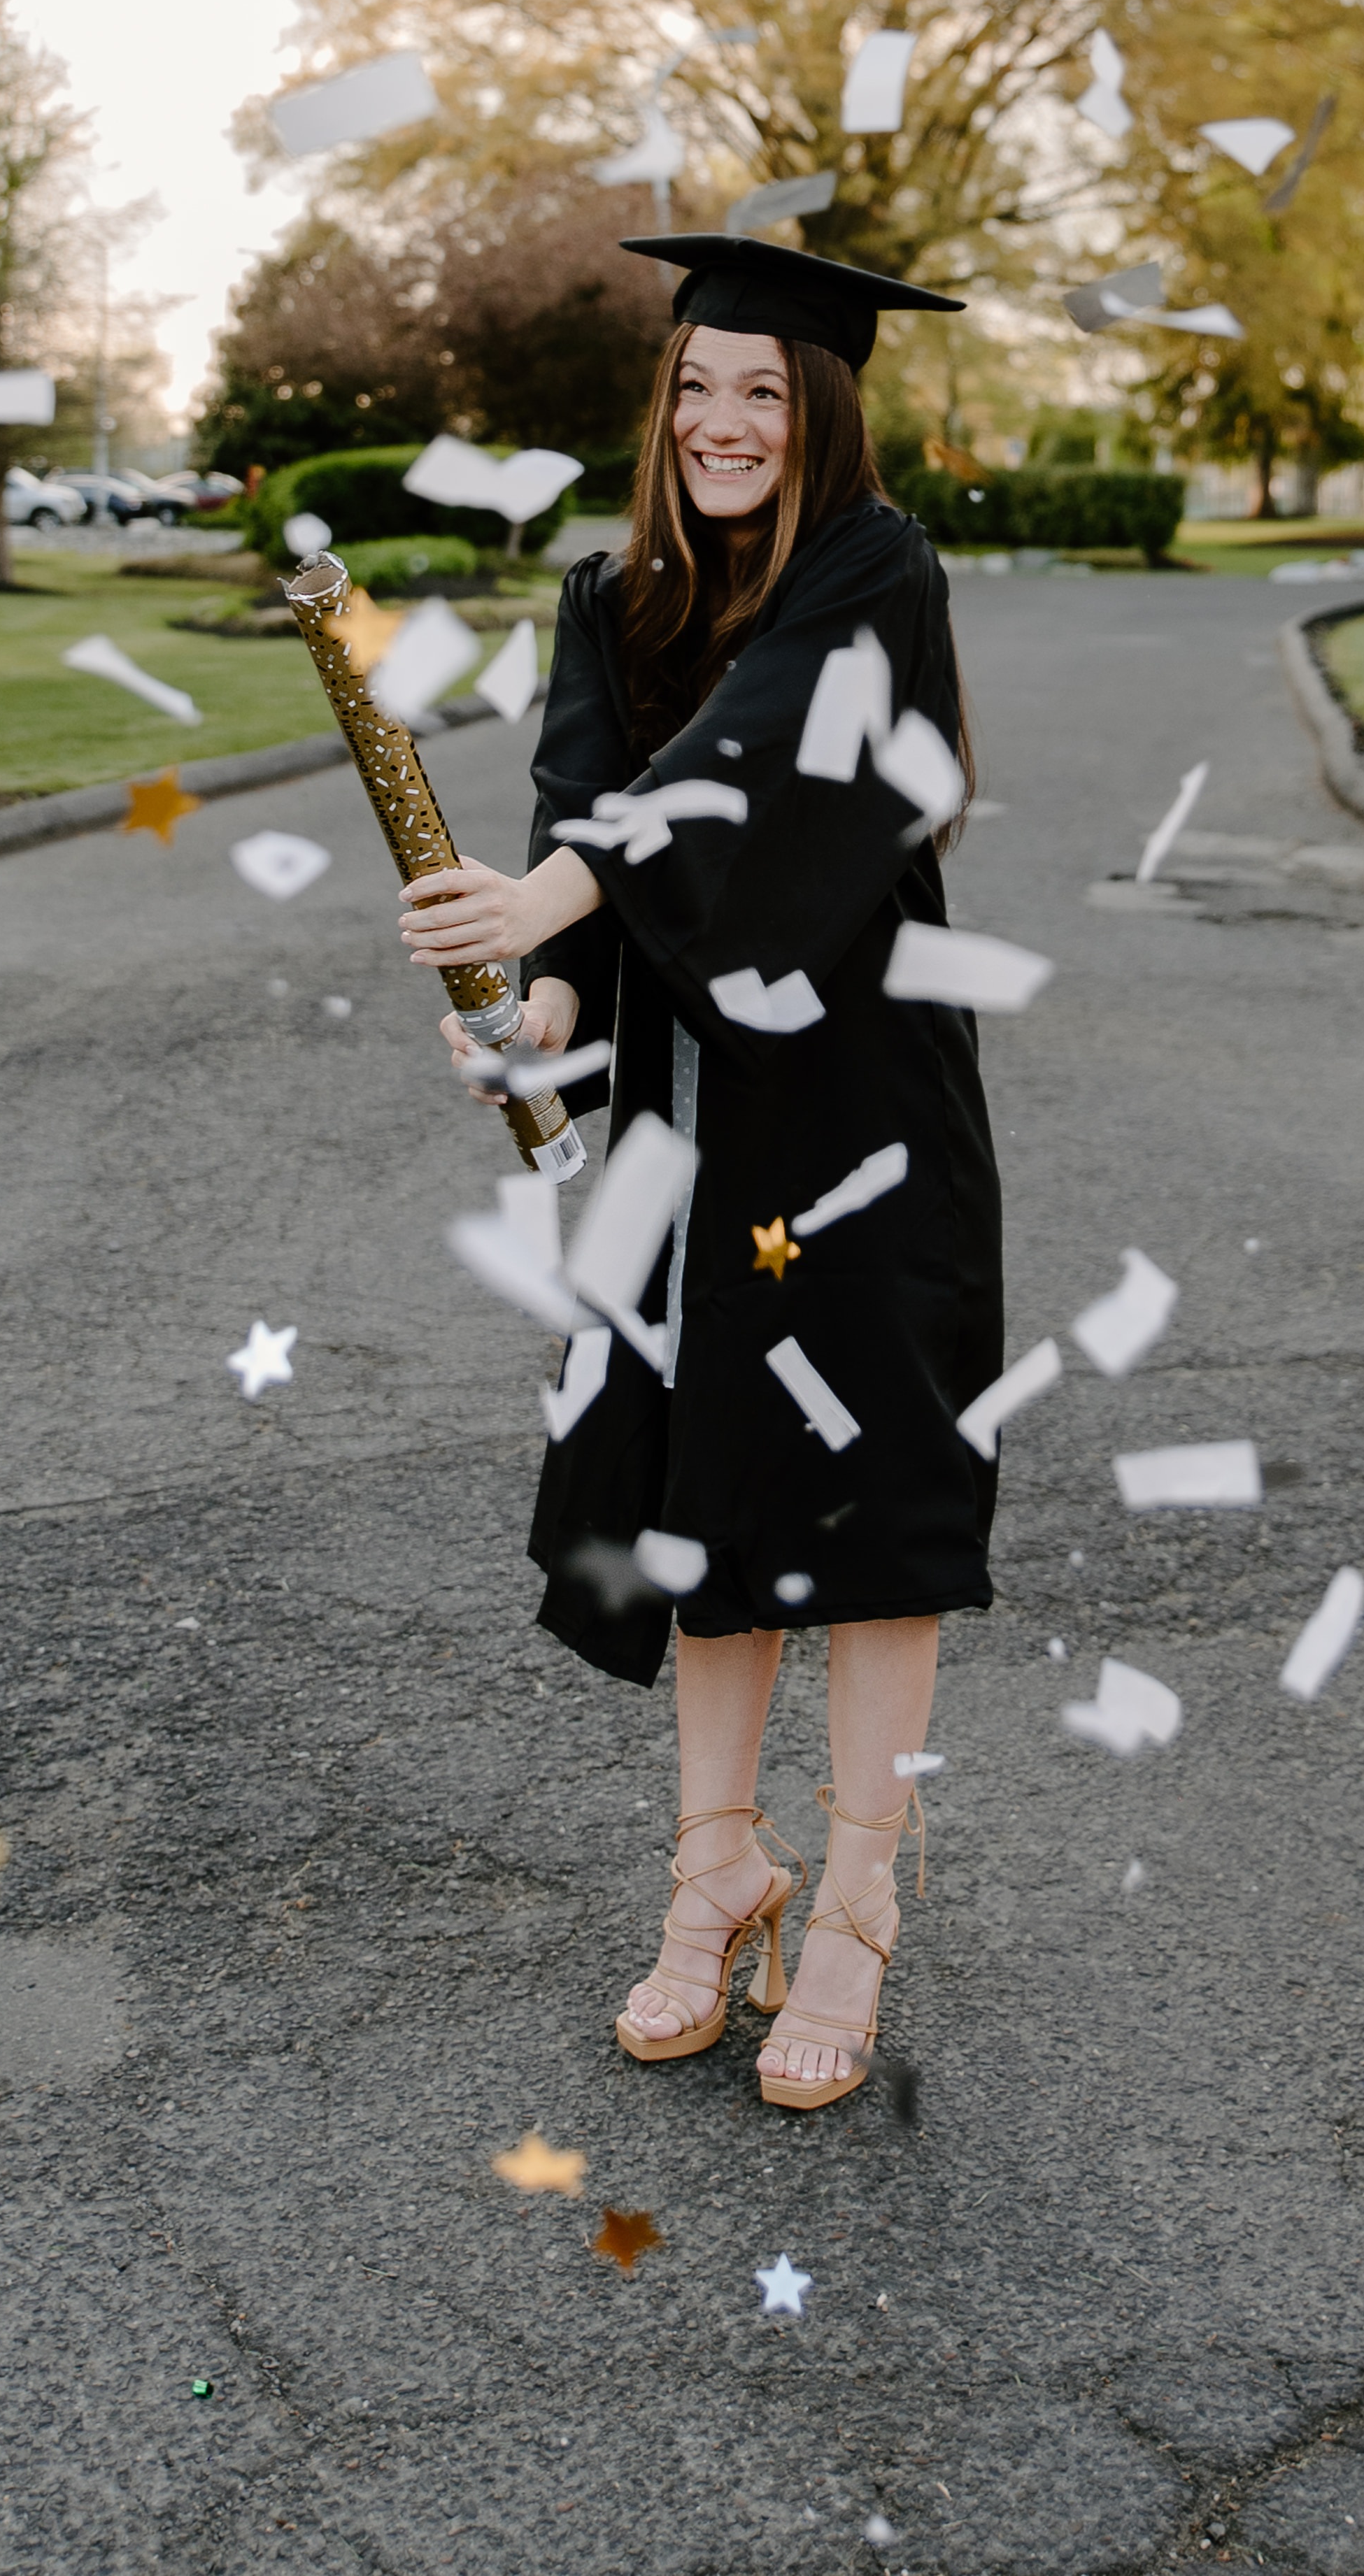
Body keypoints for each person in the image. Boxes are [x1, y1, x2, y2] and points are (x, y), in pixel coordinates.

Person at [395, 230, 1004, 2117]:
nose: (725, 422)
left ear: (818, 414)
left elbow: (750, 770)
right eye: (696, 390)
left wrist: (558, 893)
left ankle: (856, 1902)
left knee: (871, 1509)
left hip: (861, 1113)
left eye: (764, 392)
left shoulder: (874, 577)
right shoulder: (616, 599)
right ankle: (714, 1868)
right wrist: (532, 1004)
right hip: (684, 1121)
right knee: (706, 1491)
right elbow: (583, 818)